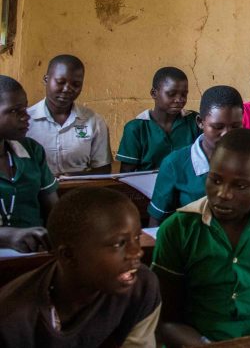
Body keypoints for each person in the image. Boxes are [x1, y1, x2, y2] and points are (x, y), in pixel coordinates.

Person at [152, 129, 250, 344]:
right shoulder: (178, 229)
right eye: (215, 180)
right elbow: (166, 320)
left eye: (240, 185)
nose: (223, 193)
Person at [0, 187, 161, 348]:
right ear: (68, 255)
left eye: (137, 238)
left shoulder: (142, 285)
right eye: (119, 243)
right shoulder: (13, 319)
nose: (137, 252)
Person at [147, 85, 244, 225]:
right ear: (200, 122)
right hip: (192, 244)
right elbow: (157, 223)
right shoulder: (175, 164)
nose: (227, 134)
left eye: (235, 127)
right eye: (217, 127)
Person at [0, 75, 59, 253]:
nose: (26, 117)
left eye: (25, 108)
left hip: (34, 255)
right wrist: (8, 236)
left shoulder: (32, 151)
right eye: (15, 111)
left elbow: (53, 210)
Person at [26, 54, 111, 176]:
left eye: (76, 84)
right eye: (60, 82)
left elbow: (103, 169)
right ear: (46, 79)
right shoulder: (26, 121)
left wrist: (72, 178)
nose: (67, 89)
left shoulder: (94, 121)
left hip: (79, 192)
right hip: (36, 192)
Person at [117, 67, 200, 172]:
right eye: (171, 94)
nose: (179, 100)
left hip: (187, 187)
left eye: (184, 94)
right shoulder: (136, 128)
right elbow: (126, 175)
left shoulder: (195, 121)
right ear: (154, 93)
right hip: (146, 186)